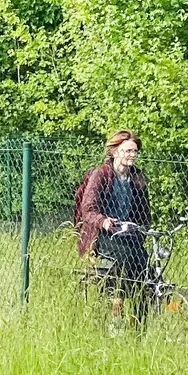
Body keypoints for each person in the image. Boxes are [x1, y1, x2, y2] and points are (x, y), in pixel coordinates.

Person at [75, 130, 153, 322]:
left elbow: (144, 211)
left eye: (135, 151)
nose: (132, 155)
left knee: (145, 272)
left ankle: (138, 325)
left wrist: (143, 229)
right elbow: (88, 208)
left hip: (129, 234)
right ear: (114, 151)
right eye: (128, 151)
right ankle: (114, 315)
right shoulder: (101, 174)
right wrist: (104, 221)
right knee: (119, 269)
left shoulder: (137, 178)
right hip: (103, 235)